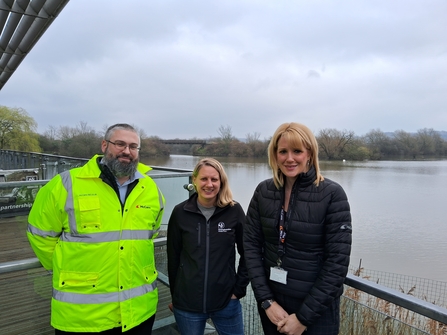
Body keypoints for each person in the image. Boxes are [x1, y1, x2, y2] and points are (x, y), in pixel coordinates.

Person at [27, 123, 165, 334]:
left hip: (138, 312)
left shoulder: (151, 189)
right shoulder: (66, 184)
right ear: (104, 145)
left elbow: (151, 233)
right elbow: (40, 234)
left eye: (133, 146)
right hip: (83, 316)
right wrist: (65, 269)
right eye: (119, 144)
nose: (126, 151)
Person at [244, 122, 352, 335]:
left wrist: (303, 318)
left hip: (316, 312)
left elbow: (337, 264)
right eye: (283, 151)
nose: (289, 158)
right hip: (274, 307)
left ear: (310, 154)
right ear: (274, 155)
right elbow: (251, 246)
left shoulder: (332, 195)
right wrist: (266, 301)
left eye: (297, 151)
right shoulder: (263, 191)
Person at [167, 158, 249, 335]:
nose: (209, 184)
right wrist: (176, 296)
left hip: (227, 302)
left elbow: (249, 253)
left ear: (221, 182)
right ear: (194, 180)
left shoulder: (234, 211)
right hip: (187, 305)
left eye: (214, 179)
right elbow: (173, 258)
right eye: (204, 179)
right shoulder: (180, 213)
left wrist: (238, 291)